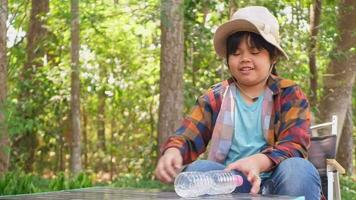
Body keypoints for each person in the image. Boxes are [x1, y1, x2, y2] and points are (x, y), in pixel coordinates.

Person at [155, 6, 321, 200]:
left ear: (273, 57)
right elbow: (188, 134)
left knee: (298, 168)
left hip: (278, 181)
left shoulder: (289, 93)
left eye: (255, 51)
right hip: (233, 182)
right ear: (227, 59)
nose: (245, 59)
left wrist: (258, 162)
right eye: (236, 53)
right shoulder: (215, 97)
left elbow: (294, 145)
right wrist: (174, 150)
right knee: (199, 169)